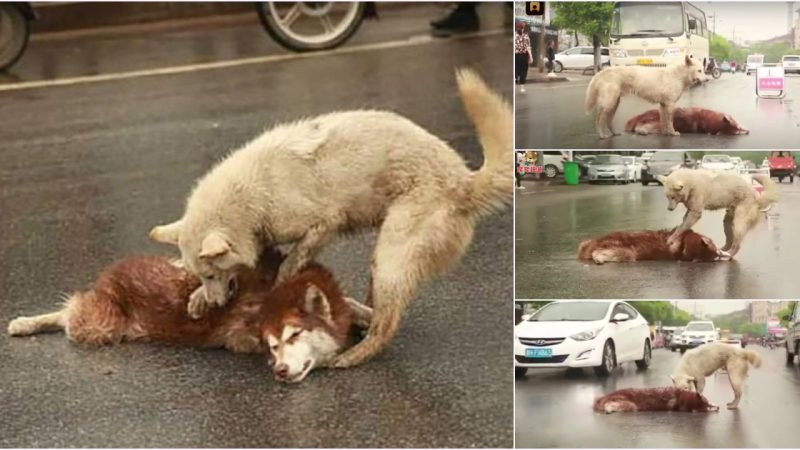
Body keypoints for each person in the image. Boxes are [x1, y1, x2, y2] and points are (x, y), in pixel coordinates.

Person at [514, 22, 532, 93]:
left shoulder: (514, 35)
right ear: (523, 28)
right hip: (524, 56)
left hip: (516, 56)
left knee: (516, 71)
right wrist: (531, 57)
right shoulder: (526, 36)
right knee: (523, 72)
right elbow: (528, 48)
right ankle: (522, 88)